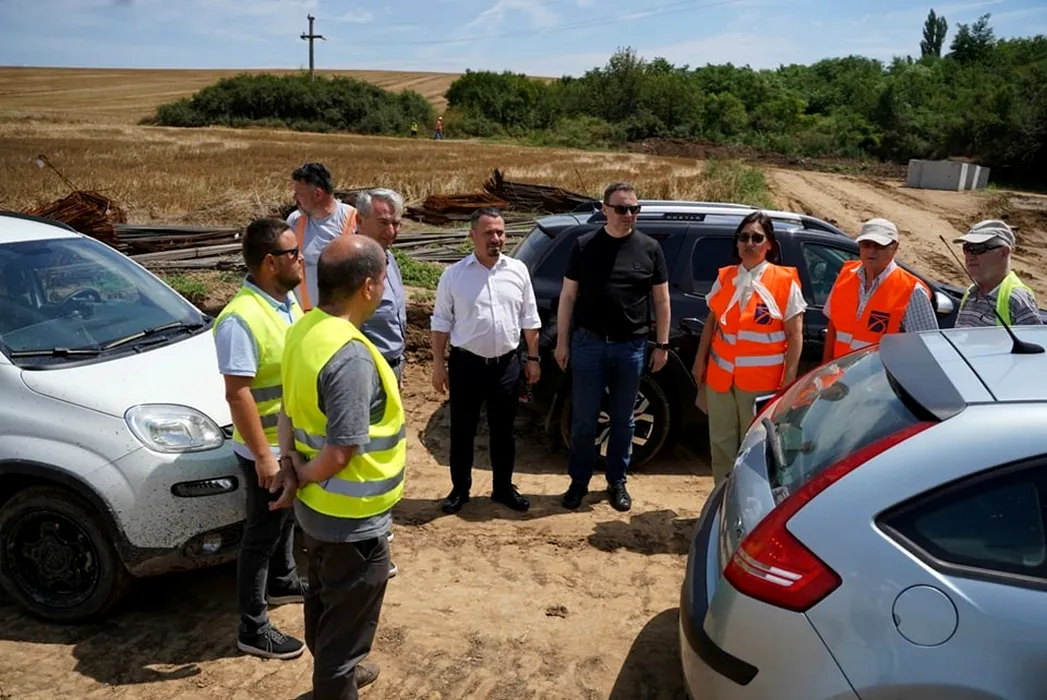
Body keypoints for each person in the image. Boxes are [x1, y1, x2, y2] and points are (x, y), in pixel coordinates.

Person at [272, 234, 405, 699]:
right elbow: (341, 452)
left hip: (318, 514)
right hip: (352, 524)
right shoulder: (349, 356)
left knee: (325, 600)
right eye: (384, 277)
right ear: (368, 287)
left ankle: (340, 672)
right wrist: (301, 474)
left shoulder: (304, 329)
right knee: (345, 631)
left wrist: (289, 467)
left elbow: (287, 410)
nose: (386, 286)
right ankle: (336, 680)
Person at [213, 218, 307, 660]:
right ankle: (253, 627)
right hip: (264, 448)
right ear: (271, 262)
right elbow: (238, 393)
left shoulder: (286, 302)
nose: (301, 258)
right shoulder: (241, 319)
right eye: (293, 253)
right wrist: (265, 458)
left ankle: (283, 581)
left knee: (284, 519)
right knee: (261, 534)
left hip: (285, 442)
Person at [554, 182, 670, 512]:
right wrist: (562, 342)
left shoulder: (650, 248)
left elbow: (662, 300)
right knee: (583, 420)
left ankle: (617, 481)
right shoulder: (584, 246)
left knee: (623, 420)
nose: (628, 214)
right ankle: (578, 482)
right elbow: (568, 296)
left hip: (630, 347)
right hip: (588, 345)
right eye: (621, 208)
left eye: (634, 208)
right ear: (605, 209)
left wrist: (662, 345)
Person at [430, 207, 541, 514]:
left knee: (503, 431)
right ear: (472, 236)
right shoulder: (454, 275)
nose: (496, 239)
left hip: (507, 365)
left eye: (500, 232)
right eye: (489, 233)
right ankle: (460, 490)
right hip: (467, 366)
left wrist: (533, 358)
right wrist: (438, 365)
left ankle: (503, 488)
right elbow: (440, 322)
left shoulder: (518, 271)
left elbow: (529, 318)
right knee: (462, 430)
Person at [690, 212, 806, 485]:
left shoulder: (784, 282)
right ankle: (722, 498)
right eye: (743, 237)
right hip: (720, 380)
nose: (749, 243)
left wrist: (788, 383)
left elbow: (795, 335)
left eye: (757, 238)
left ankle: (750, 502)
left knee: (754, 448)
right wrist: (699, 362)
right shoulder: (726, 277)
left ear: (769, 244)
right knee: (721, 443)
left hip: (761, 385)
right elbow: (712, 323)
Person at [354, 188, 408, 578]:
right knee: (366, 453)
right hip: (368, 372)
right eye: (384, 221)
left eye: (396, 222)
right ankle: (366, 539)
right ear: (360, 221)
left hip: (392, 368)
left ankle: (377, 525)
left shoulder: (388, 260)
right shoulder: (354, 264)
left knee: (385, 447)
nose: (392, 229)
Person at [822, 218, 938, 362]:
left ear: (895, 247)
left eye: (879, 245)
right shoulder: (845, 276)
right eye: (866, 244)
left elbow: (926, 348)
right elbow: (833, 327)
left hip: (881, 376)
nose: (871, 250)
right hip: (842, 374)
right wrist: (826, 368)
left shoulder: (912, 290)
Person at [286, 162, 358, 312]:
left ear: (317, 194)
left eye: (299, 194)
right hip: (305, 317)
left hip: (341, 318)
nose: (294, 198)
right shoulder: (294, 221)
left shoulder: (354, 220)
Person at [953, 219, 1042, 327]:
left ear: (1004, 252)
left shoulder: (1017, 298)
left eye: (978, 248)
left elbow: (1033, 337)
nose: (970, 256)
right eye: (966, 248)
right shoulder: (971, 293)